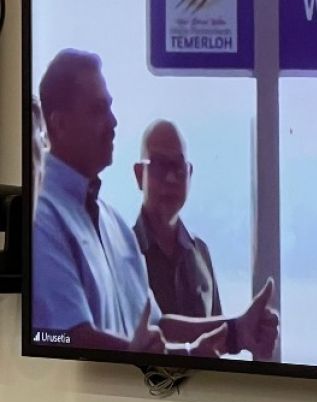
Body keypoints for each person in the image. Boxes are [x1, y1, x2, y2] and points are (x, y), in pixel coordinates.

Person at [32, 48, 279, 358]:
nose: (113, 122)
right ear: (60, 124)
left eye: (110, 108)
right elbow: (64, 338)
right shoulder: (40, 217)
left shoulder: (115, 226)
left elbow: (156, 327)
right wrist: (183, 357)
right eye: (97, 110)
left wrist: (235, 332)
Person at [132, 121, 222, 319]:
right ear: (139, 175)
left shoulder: (201, 254)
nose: (171, 178)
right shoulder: (124, 252)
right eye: (159, 166)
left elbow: (218, 339)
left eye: (178, 167)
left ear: (189, 173)